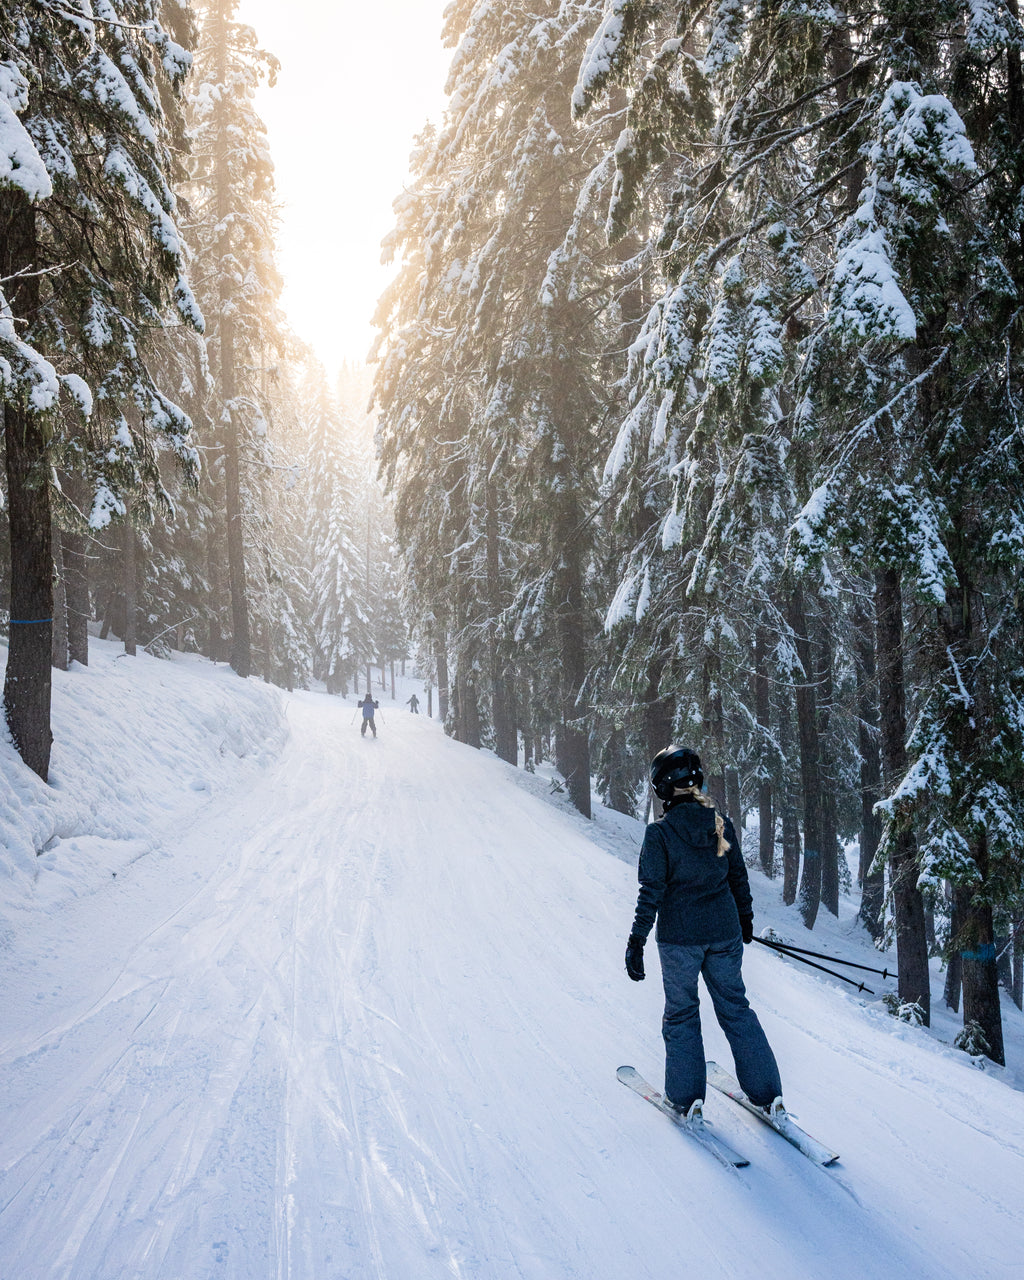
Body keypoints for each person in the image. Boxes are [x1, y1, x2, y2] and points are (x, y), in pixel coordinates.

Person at [625, 745, 783, 1121]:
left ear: (662, 788)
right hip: (724, 935)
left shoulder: (659, 834)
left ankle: (684, 1097)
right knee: (736, 1008)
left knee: (681, 1014)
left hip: (681, 940)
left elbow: (652, 891)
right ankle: (767, 1093)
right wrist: (744, 918)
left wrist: (637, 940)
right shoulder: (720, 822)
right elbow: (737, 876)